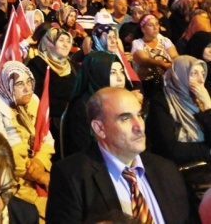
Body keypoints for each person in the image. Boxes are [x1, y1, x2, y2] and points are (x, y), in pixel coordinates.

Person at [46, 87, 192, 224]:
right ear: (99, 128)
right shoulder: (72, 176)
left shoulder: (166, 169)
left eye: (140, 115)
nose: (139, 126)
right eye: (125, 118)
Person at [0, 61, 55, 220]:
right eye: (19, 84)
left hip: (37, 173)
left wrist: (39, 161)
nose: (27, 88)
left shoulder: (33, 101)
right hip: (7, 183)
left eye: (29, 82)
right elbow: (0, 154)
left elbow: (47, 139)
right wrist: (38, 176)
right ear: (7, 85)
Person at [61, 51, 132, 158]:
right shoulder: (83, 106)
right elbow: (84, 148)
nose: (120, 78)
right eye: (112, 72)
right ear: (98, 73)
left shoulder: (124, 100)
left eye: (121, 72)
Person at [146, 55, 211, 166]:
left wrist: (208, 108)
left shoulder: (203, 99)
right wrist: (207, 150)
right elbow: (170, 149)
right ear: (179, 76)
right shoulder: (161, 102)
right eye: (193, 73)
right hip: (177, 170)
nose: (201, 80)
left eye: (203, 74)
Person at [27, 27, 77, 160]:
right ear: (49, 42)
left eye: (68, 40)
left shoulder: (74, 67)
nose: (66, 44)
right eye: (61, 40)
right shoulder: (37, 64)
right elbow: (34, 96)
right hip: (48, 125)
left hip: (72, 124)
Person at [131, 14, 179, 96]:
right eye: (151, 25)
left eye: (157, 24)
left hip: (166, 81)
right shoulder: (137, 43)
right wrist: (161, 63)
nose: (155, 27)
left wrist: (174, 63)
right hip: (146, 84)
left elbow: (175, 56)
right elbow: (144, 60)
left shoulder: (164, 40)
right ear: (143, 29)